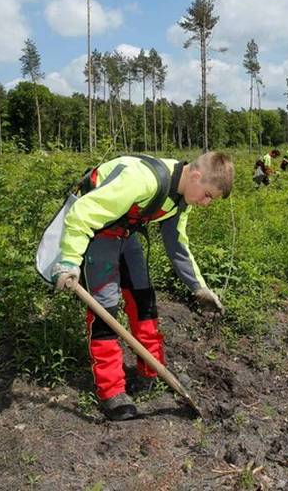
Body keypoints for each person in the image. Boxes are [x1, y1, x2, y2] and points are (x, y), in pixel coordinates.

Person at [51, 152, 234, 421]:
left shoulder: (180, 199)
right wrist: (68, 262)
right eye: (207, 195)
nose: (206, 203)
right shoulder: (142, 180)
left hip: (127, 235)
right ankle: (112, 391)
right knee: (106, 310)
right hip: (98, 236)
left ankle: (150, 371)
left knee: (144, 302)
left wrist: (199, 287)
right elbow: (82, 212)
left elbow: (177, 244)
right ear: (195, 176)